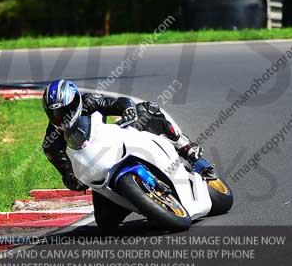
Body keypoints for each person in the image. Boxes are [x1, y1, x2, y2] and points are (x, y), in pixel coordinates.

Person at [41, 78, 215, 191]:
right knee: (105, 224)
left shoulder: (89, 101)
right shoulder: (51, 143)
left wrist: (128, 109)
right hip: (100, 175)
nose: (61, 118)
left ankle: (185, 148)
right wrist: (73, 180)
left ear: (76, 102)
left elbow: (118, 103)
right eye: (54, 115)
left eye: (65, 111)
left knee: (148, 110)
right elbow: (66, 173)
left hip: (114, 142)